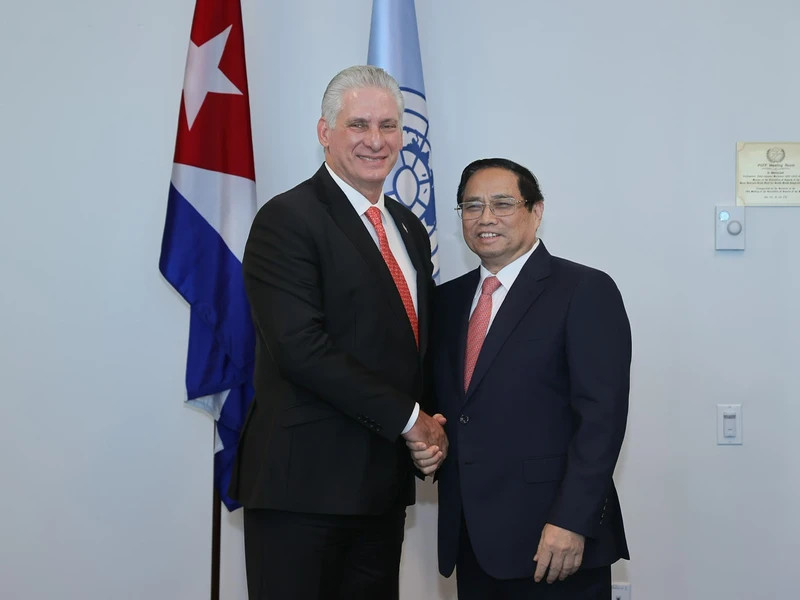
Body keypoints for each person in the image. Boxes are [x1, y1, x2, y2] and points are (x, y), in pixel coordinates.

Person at [229, 65, 447, 600]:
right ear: (325, 132)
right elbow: (301, 349)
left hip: (380, 492)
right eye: (359, 124)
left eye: (389, 125)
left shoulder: (408, 226)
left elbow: (408, 347)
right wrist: (411, 420)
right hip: (303, 490)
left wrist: (432, 426)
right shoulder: (287, 219)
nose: (376, 140)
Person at [416, 158, 630, 598]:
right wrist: (428, 439)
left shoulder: (584, 290)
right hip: (471, 538)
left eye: (502, 204)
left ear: (536, 211)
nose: (486, 217)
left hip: (553, 542)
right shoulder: (446, 301)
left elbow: (601, 420)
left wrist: (572, 520)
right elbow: (451, 407)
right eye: (472, 206)